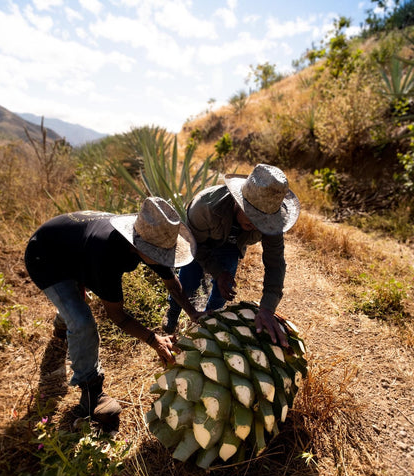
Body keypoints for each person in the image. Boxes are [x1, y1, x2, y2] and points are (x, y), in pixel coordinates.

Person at [25, 197, 203, 426]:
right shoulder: (106, 255)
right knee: (82, 322)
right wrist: (154, 340)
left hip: (74, 247)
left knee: (76, 301)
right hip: (46, 256)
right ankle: (91, 392)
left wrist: (192, 312)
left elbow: (172, 283)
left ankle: (63, 322)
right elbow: (117, 316)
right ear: (138, 245)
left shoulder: (153, 236)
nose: (164, 261)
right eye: (160, 256)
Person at [163, 163, 300, 348]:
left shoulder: (271, 222)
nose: (258, 225)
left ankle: (211, 325)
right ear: (238, 201)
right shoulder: (204, 208)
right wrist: (217, 271)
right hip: (200, 244)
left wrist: (267, 308)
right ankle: (173, 311)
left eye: (263, 221)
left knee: (224, 291)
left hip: (231, 246)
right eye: (252, 216)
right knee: (188, 281)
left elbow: (275, 264)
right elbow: (194, 246)